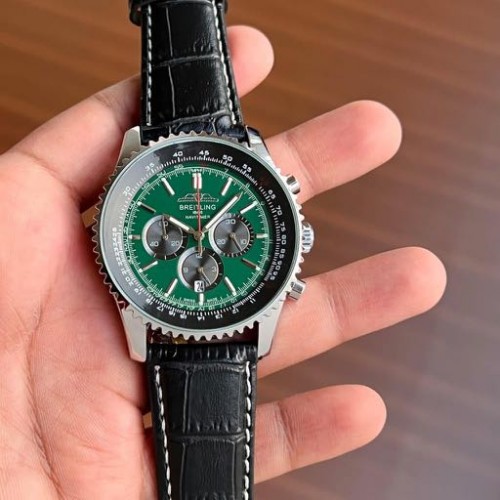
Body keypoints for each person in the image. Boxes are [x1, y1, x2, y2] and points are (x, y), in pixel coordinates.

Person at [0, 26, 446, 498]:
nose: (199, 238)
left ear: (296, 236)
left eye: (227, 234)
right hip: (160, 317)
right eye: (176, 235)